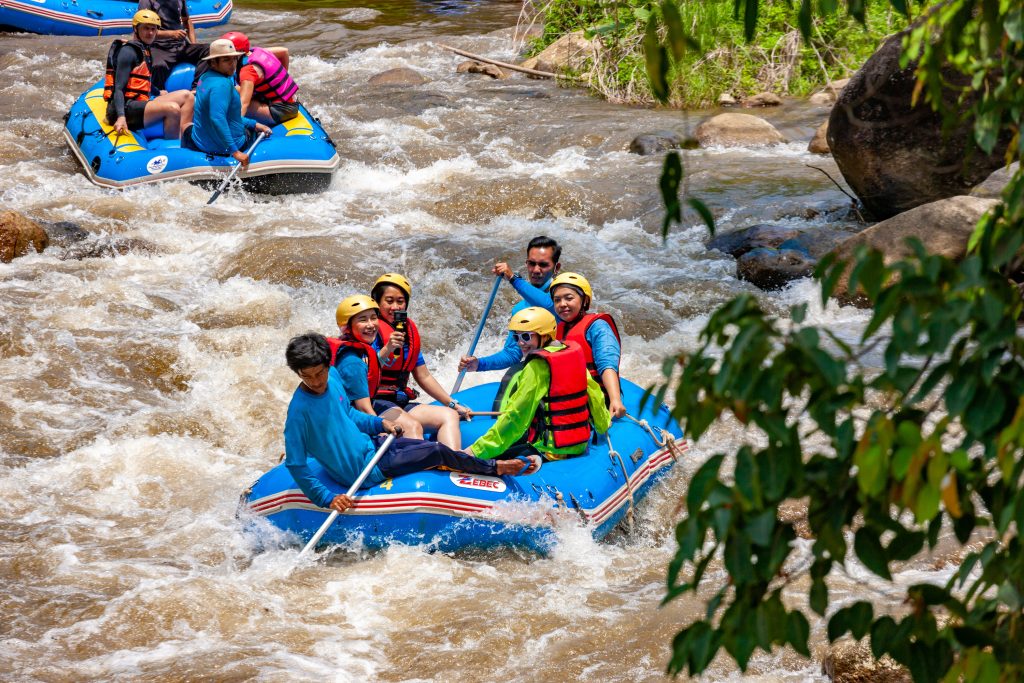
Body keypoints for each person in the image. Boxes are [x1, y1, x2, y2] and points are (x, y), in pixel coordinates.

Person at [284, 333, 540, 513]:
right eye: (307, 376)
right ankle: (496, 467)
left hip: (374, 447)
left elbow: (349, 415)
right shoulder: (299, 412)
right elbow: (296, 464)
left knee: (427, 448)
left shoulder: (333, 377)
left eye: (320, 373)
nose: (316, 381)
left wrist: (379, 425)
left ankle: (468, 464)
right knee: (436, 451)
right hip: (364, 470)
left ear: (327, 365)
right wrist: (327, 499)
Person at [463, 307, 610, 462]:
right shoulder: (572, 354)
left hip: (550, 451)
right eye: (516, 337)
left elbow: (516, 415)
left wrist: (476, 451)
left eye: (526, 336)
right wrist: (603, 425)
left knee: (485, 459)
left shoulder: (536, 366)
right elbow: (595, 395)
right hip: (579, 446)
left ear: (545, 335)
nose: (520, 343)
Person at [333, 285, 468, 450]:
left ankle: (453, 459)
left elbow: (424, 376)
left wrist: (453, 404)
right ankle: (421, 462)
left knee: (449, 415)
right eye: (389, 301)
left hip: (397, 400)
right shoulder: (354, 355)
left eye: (400, 301)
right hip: (374, 403)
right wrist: (379, 428)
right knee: (412, 427)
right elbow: (364, 393)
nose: (395, 307)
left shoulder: (407, 336)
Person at [458, 235, 562, 374]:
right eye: (532, 263)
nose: (536, 270)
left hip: (566, 371)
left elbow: (550, 306)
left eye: (543, 265)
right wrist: (478, 364)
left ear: (556, 267)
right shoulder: (520, 310)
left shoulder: (565, 297)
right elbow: (512, 354)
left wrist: (513, 278)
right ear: (526, 264)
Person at [328, 294, 424, 442]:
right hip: (349, 421)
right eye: (363, 320)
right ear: (347, 327)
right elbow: (363, 408)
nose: (371, 324)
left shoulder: (361, 351)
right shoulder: (352, 362)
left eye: (373, 318)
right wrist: (382, 431)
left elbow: (372, 369)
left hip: (355, 412)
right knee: (412, 427)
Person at [103, 10, 194, 140]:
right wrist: (121, 117)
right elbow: (119, 89)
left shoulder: (144, 50)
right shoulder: (128, 51)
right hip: (124, 108)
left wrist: (158, 92)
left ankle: (183, 140)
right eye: (146, 28)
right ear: (136, 29)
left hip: (139, 103)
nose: (150, 33)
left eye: (153, 29)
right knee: (172, 108)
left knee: (187, 96)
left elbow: (142, 81)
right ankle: (173, 146)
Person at [182, 39, 272, 167]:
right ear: (213, 62)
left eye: (234, 59)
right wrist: (235, 152)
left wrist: (254, 124)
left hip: (200, 143)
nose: (232, 64)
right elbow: (217, 118)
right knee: (252, 134)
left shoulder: (204, 78)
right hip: (226, 147)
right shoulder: (223, 85)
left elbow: (226, 116)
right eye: (226, 60)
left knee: (186, 126)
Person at [549, 272, 626, 418]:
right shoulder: (556, 330)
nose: (562, 304)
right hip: (566, 398)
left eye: (569, 298)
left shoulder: (597, 326)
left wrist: (615, 399)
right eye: (557, 300)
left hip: (596, 400)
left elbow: (607, 362)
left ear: (584, 301)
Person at [221, 32, 300, 125]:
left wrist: (236, 126)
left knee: (232, 100)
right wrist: (282, 81)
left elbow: (243, 104)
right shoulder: (257, 52)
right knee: (232, 89)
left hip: (281, 111)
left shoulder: (247, 71)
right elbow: (284, 51)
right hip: (290, 101)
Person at [136, 0, 210, 92]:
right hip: (159, 47)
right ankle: (159, 93)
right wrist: (171, 34)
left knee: (208, 50)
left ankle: (196, 87)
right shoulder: (147, 1)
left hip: (181, 46)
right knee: (158, 66)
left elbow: (187, 20)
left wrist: (193, 43)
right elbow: (144, 31)